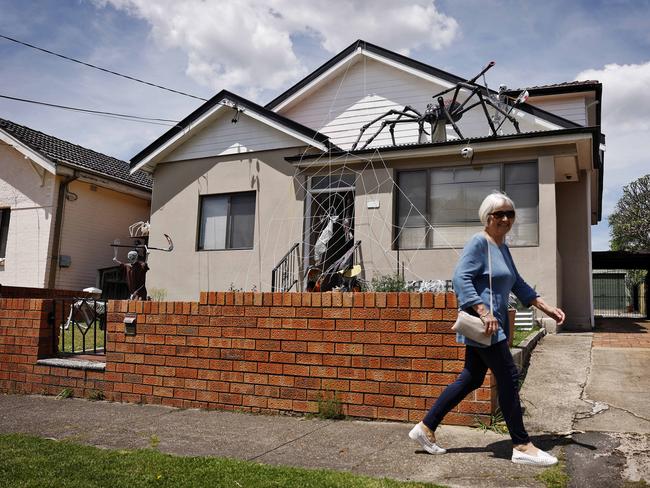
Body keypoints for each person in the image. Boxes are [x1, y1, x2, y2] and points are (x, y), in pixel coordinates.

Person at [408, 191, 565, 466]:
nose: (505, 219)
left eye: (510, 214)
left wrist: (546, 307)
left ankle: (425, 428)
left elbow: (517, 282)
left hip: (491, 325)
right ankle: (521, 445)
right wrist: (483, 311)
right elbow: (460, 278)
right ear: (487, 217)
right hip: (486, 325)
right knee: (508, 377)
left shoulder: (501, 246)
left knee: (471, 378)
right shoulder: (479, 243)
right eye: (499, 214)